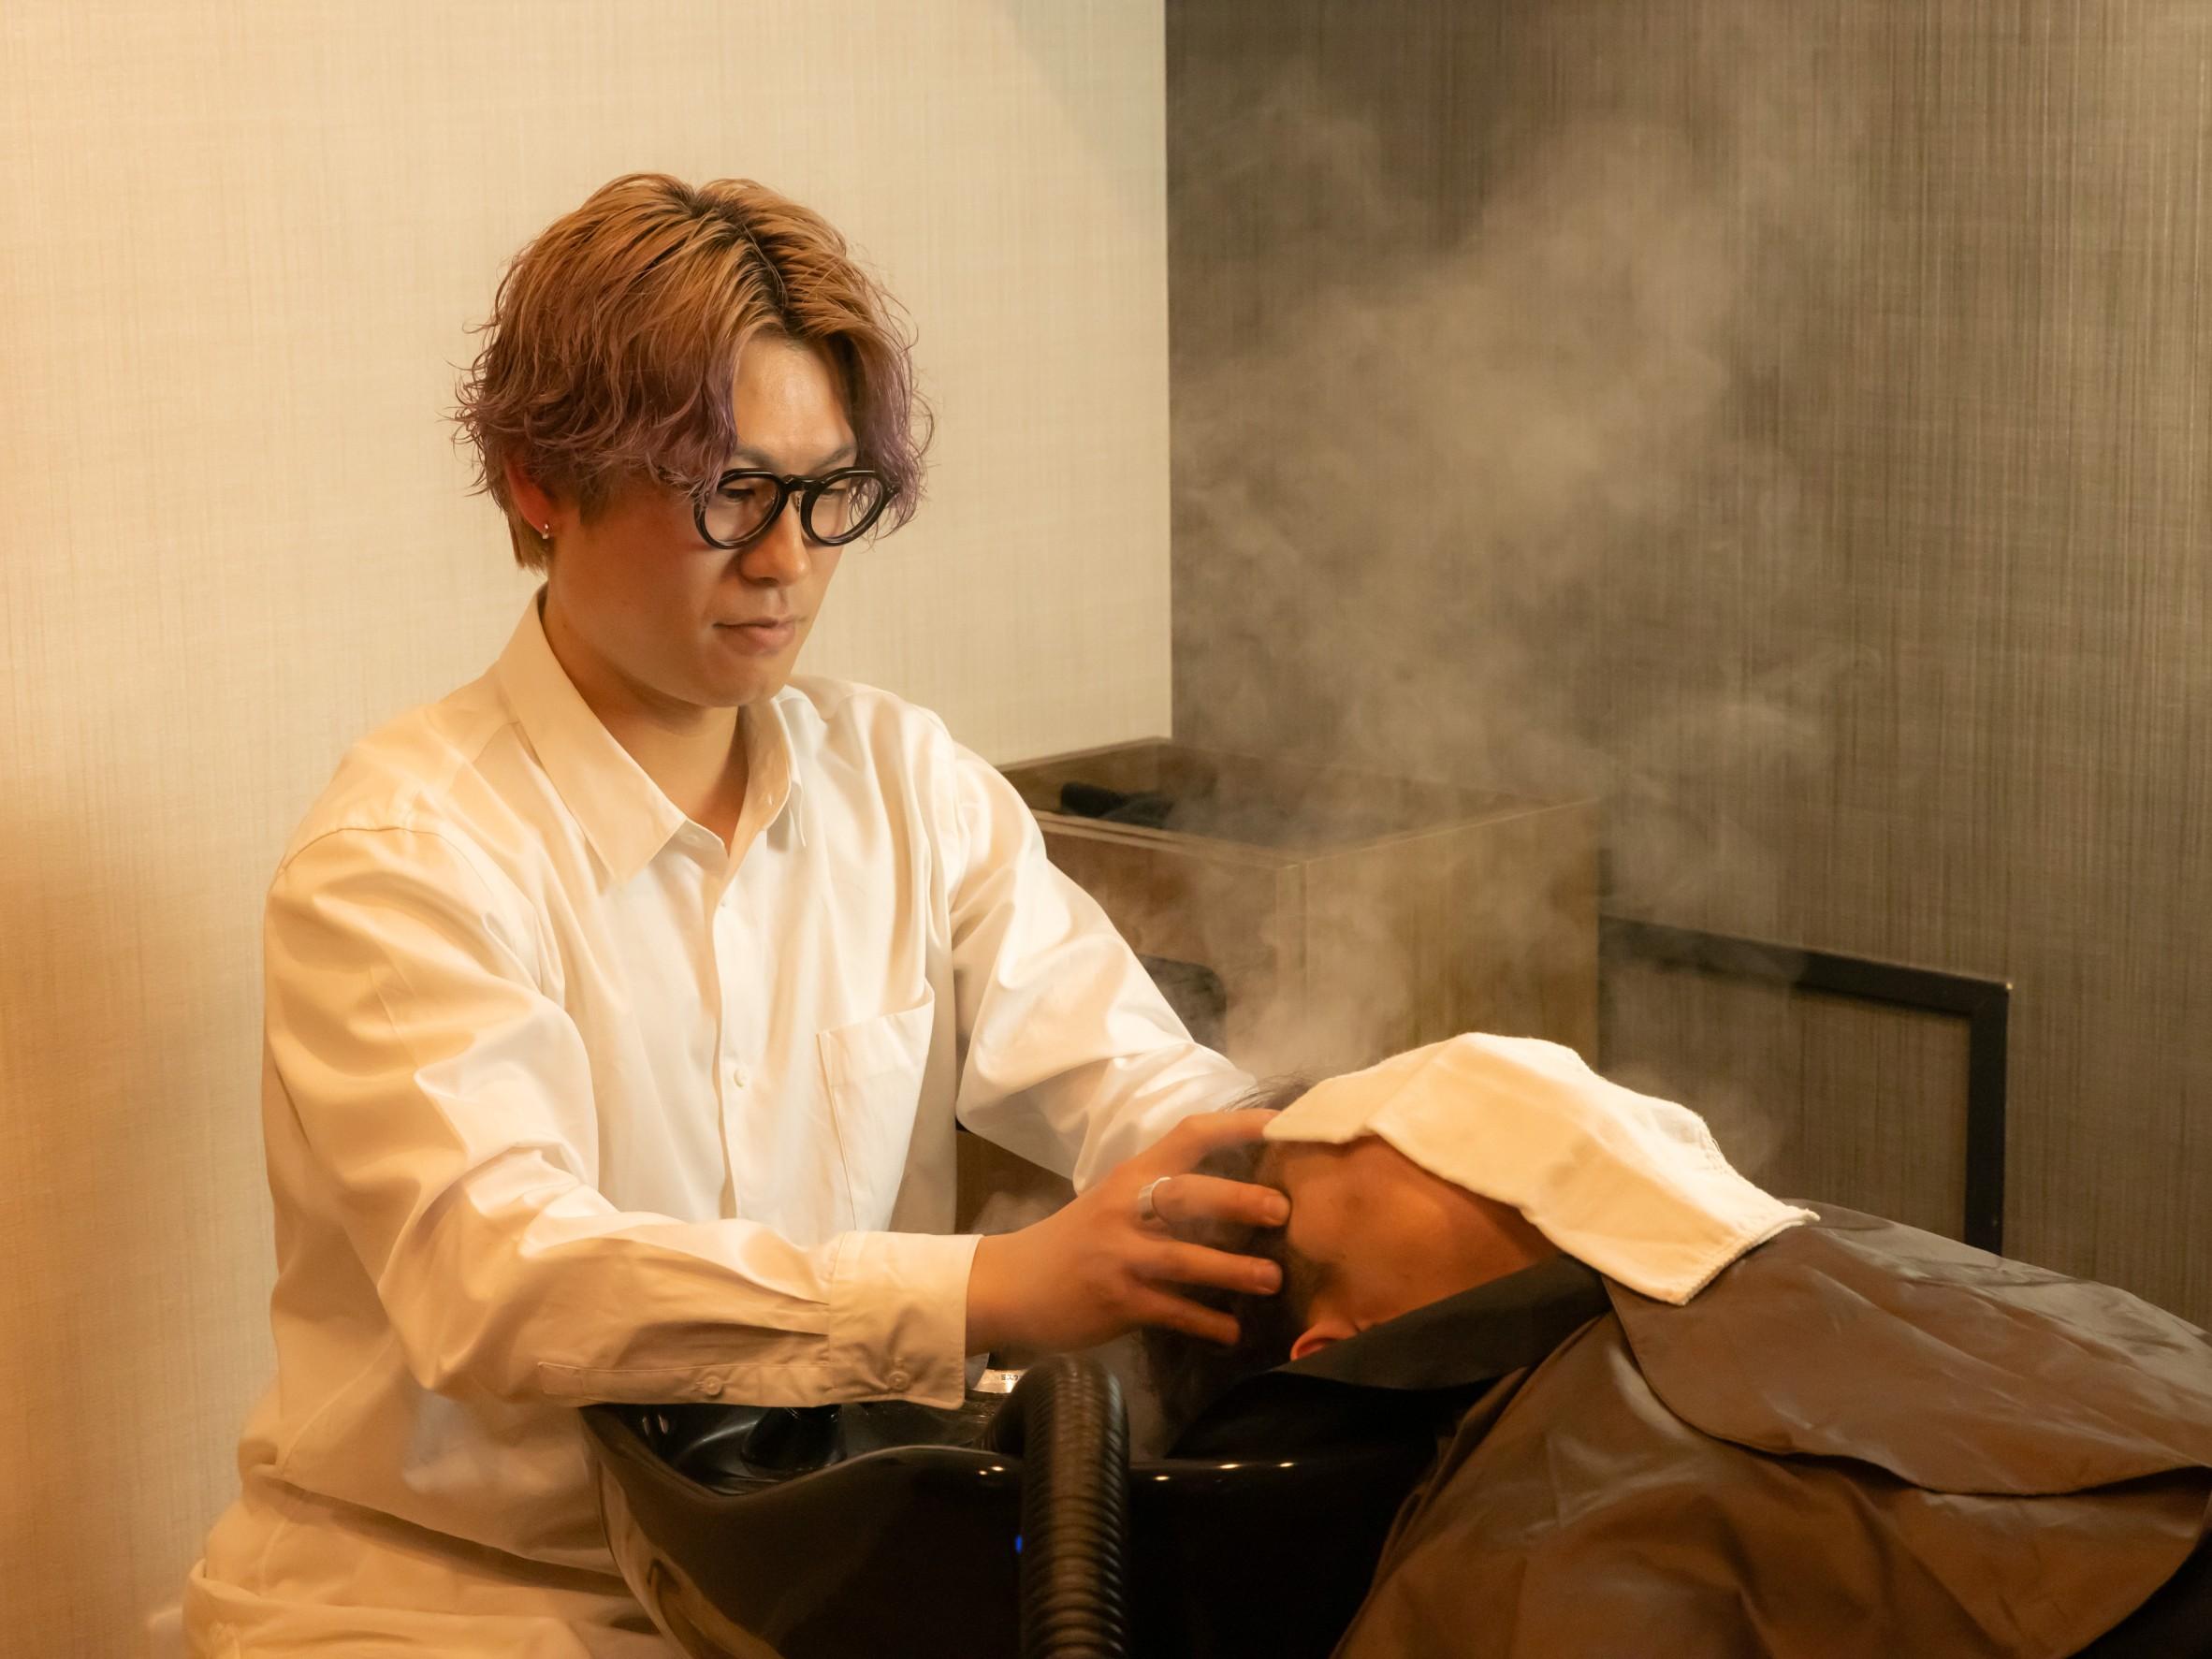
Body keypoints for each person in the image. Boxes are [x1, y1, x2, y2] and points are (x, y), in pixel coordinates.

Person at [183, 173, 1286, 1657]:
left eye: (828, 496)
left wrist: (1299, 1174)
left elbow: (1135, 1079)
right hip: (460, 1598)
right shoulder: (405, 855)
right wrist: (986, 1286)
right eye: (727, 492)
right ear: (538, 479)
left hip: (810, 1582)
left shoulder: (903, 783)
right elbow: (507, 1279)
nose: (787, 561)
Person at [1142, 1036, 2212, 1659]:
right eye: (1347, 1147)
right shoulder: (1530, 1529)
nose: (1425, 1105)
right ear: (1339, 1346)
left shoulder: (1825, 1258)